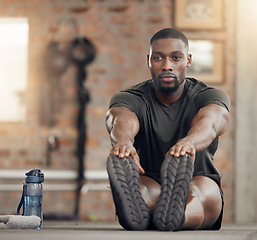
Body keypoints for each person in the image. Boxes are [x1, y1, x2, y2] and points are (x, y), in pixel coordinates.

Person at [105, 28, 230, 231]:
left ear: (188, 60)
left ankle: (174, 214)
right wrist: (123, 143)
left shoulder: (208, 96)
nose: (166, 66)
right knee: (143, 189)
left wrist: (189, 142)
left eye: (176, 58)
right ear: (148, 61)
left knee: (196, 192)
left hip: (198, 175)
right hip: (150, 177)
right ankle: (153, 212)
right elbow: (120, 121)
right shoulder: (130, 98)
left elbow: (211, 122)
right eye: (158, 58)